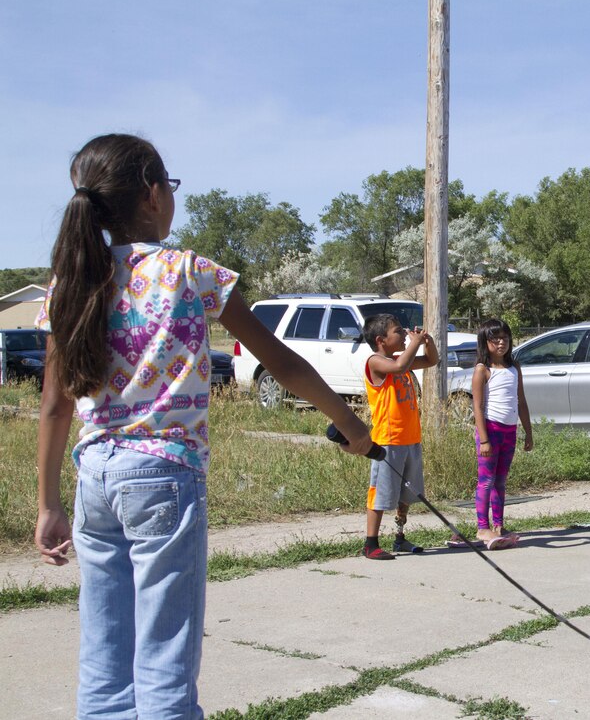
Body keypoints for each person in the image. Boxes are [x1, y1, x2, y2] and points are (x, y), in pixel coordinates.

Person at [34, 134, 375, 718]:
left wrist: (47, 505)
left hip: (93, 476)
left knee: (104, 662)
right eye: (170, 186)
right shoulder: (190, 272)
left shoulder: (71, 283)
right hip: (164, 475)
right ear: (152, 194)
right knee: (165, 663)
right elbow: (280, 361)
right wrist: (352, 425)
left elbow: (55, 407)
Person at [361, 313, 438, 559]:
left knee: (407, 493)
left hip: (410, 438)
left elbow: (430, 360)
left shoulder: (398, 358)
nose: (404, 334)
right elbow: (399, 367)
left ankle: (399, 537)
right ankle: (370, 543)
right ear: (381, 339)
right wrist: (414, 343)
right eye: (398, 332)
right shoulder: (376, 361)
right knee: (382, 492)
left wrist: (427, 341)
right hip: (388, 440)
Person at [469, 319, 533, 550]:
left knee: (501, 481)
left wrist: (528, 431)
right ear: (485, 343)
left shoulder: (514, 367)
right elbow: (477, 407)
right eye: (494, 339)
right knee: (486, 481)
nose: (500, 343)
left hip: (509, 431)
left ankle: (498, 525)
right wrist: (484, 439)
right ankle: (481, 526)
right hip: (491, 431)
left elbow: (521, 400)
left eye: (504, 338)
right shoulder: (482, 370)